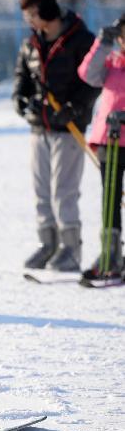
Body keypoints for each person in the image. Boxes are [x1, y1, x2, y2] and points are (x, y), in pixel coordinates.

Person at [13, 0, 100, 272]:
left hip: (68, 129)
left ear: (48, 10)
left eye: (33, 14)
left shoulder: (81, 40)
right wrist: (21, 99)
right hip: (40, 128)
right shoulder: (31, 43)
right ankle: (47, 243)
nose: (29, 21)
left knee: (64, 189)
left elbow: (92, 82)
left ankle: (70, 249)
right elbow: (22, 76)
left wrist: (74, 109)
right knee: (41, 189)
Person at [79, 14, 125, 279]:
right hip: (111, 139)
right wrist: (102, 43)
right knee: (110, 199)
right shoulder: (112, 62)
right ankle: (110, 255)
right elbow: (88, 73)